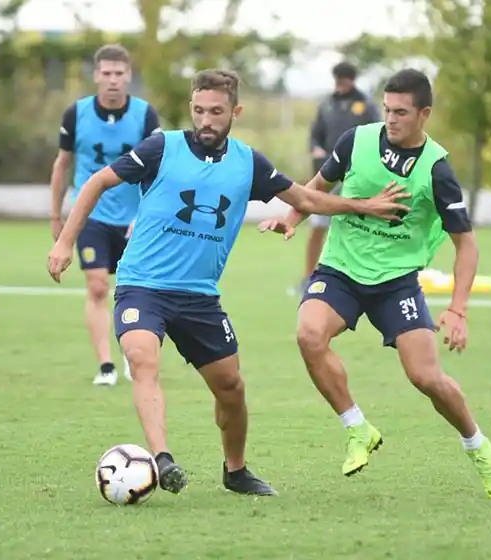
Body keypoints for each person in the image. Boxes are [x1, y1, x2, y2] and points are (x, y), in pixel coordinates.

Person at [47, 69, 410, 497]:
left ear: (234, 111)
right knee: (142, 359)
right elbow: (96, 181)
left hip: (199, 297)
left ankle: (235, 471)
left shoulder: (248, 163)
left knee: (231, 389)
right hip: (142, 285)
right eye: (198, 110)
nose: (205, 120)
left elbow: (306, 198)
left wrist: (363, 206)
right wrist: (65, 241)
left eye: (216, 112)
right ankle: (162, 460)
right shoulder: (162, 147)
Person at [262, 68, 491, 499]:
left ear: (424, 114)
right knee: (308, 334)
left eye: (402, 112)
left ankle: (477, 445)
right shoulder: (355, 142)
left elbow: (466, 245)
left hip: (396, 284)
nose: (391, 119)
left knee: (426, 378)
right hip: (340, 270)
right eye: (388, 109)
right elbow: (315, 188)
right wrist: (292, 218)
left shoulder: (437, 169)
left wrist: (458, 310)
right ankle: (357, 428)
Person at [49, 44, 162, 387]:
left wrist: (147, 214)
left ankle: (134, 355)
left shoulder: (145, 115)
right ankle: (106, 366)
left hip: (133, 218)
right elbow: (62, 164)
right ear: (97, 75)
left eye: (119, 73)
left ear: (129, 76)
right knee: (97, 287)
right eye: (107, 73)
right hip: (91, 216)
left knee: (138, 288)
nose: (113, 80)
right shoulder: (76, 114)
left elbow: (157, 168)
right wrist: (57, 215)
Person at [299, 61, 380, 294]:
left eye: (343, 81)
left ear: (352, 80)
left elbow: (377, 136)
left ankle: (362, 276)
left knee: (359, 228)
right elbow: (315, 134)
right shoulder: (327, 104)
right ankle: (308, 277)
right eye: (337, 81)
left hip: (357, 177)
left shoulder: (366, 105)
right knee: (317, 226)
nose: (340, 86)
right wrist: (315, 148)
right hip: (327, 175)